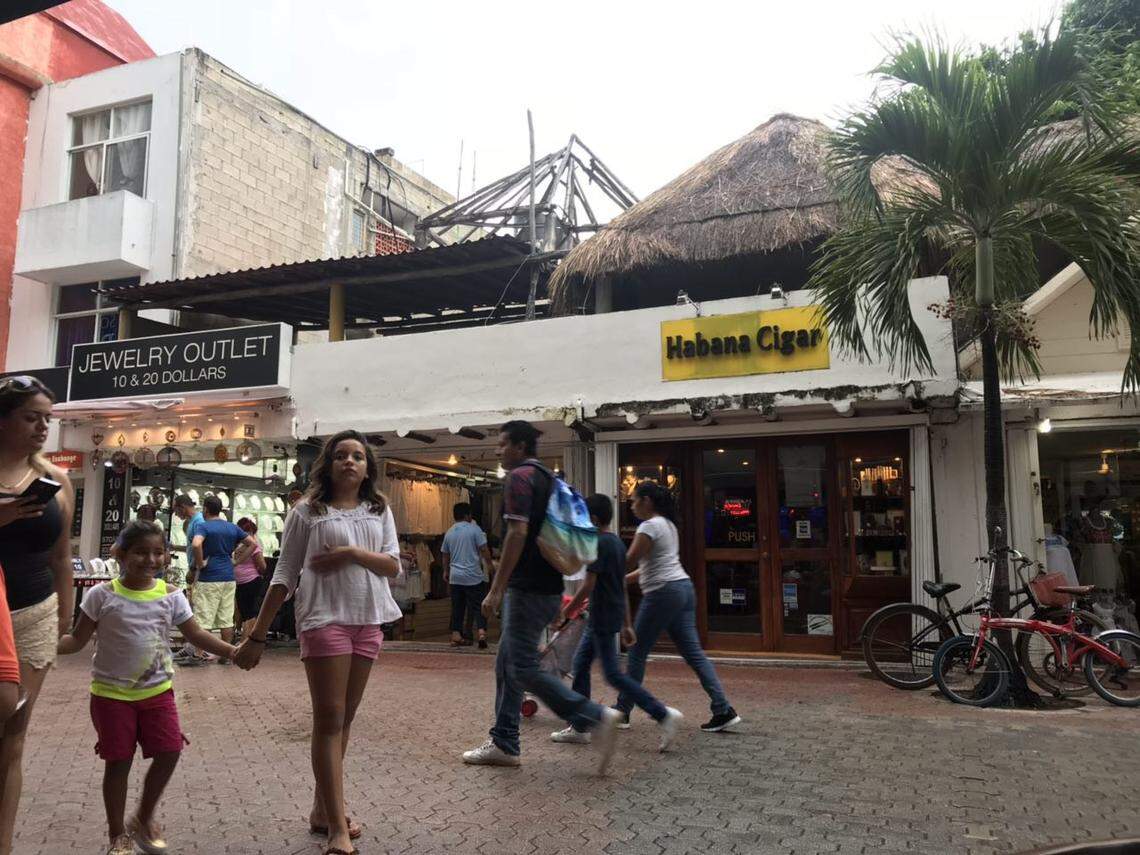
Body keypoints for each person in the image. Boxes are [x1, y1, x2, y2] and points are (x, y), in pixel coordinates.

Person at [234, 430, 402, 855]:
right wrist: (257, 635)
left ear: (368, 467)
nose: (350, 462)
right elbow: (284, 575)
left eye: (358, 456)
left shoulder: (378, 508)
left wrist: (352, 554)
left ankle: (321, 809)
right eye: (341, 455)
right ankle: (337, 829)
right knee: (329, 719)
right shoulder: (307, 512)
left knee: (344, 721)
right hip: (323, 619)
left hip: (369, 620)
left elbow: (392, 566)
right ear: (327, 464)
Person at [57, 520, 236, 855]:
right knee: (119, 762)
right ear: (121, 555)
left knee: (170, 751)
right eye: (141, 552)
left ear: (166, 557)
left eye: (158, 553)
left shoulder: (171, 596)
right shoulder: (101, 595)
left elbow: (196, 634)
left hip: (158, 693)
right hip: (111, 696)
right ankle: (117, 836)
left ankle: (142, 816)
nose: (150, 559)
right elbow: (77, 640)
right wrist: (39, 644)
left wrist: (231, 651)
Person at [462, 421, 621, 774]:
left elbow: (517, 534)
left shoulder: (519, 478)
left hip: (527, 587)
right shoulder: (549, 479)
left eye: (503, 444)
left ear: (519, 447)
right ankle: (504, 742)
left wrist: (497, 587)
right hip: (550, 585)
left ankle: (593, 716)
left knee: (521, 667)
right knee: (507, 664)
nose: (498, 451)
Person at [0, 375, 75, 854]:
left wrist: (66, 622)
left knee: (12, 738)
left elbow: (61, 557)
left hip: (33, 613)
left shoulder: (55, 479)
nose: (42, 427)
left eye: (48, 418)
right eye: (32, 417)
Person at [551, 494, 683, 750]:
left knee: (612, 674)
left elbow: (589, 585)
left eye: (582, 517)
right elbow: (620, 586)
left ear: (594, 518)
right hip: (606, 616)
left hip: (601, 617)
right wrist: (627, 623)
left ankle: (662, 714)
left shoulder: (598, 544)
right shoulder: (617, 544)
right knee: (580, 665)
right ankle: (580, 726)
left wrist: (566, 611)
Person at [617, 481, 741, 733]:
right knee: (694, 654)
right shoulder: (669, 526)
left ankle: (622, 710)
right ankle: (723, 709)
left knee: (637, 652)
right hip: (683, 589)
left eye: (634, 500)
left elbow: (628, 561)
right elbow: (649, 567)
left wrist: (603, 573)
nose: (631, 505)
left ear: (647, 501)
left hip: (662, 593)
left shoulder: (649, 526)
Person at [189, 495, 256, 658]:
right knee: (226, 618)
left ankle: (199, 653)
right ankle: (227, 653)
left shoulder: (204, 527)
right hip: (228, 576)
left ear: (205, 509)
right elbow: (253, 544)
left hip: (209, 578)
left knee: (204, 617)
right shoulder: (232, 527)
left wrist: (200, 563)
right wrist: (237, 562)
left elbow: (196, 544)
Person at [441, 502, 493, 648]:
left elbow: (445, 554)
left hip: (455, 577)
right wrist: (489, 565)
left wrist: (446, 571)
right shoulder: (475, 530)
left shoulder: (449, 532)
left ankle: (456, 635)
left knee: (457, 607)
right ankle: (481, 632)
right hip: (473, 576)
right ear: (467, 515)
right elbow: (484, 549)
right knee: (478, 606)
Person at [171, 495, 205, 665]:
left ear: (182, 507)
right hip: (195, 569)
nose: (176, 515)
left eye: (176, 510)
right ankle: (192, 647)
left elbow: (200, 547)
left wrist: (194, 568)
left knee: (196, 609)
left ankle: (197, 650)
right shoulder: (193, 522)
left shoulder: (198, 522)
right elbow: (192, 547)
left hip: (197, 570)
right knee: (192, 607)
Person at [232, 517, 267, 641]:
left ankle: (245, 641)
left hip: (250, 582)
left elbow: (262, 566)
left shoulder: (251, 546)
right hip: (243, 582)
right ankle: (244, 639)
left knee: (248, 614)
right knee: (245, 613)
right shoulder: (247, 544)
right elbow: (262, 567)